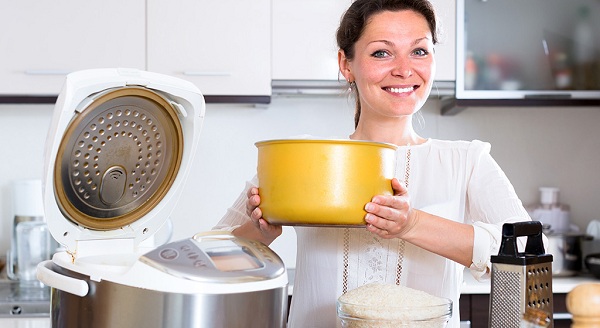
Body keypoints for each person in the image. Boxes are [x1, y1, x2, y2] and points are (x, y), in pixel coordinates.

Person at [213, 0, 535, 327]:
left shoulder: (467, 161)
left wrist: (412, 225)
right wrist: (258, 232)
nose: (404, 69)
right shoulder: (302, 157)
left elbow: (529, 255)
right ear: (346, 64)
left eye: (419, 51)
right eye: (382, 53)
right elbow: (209, 261)